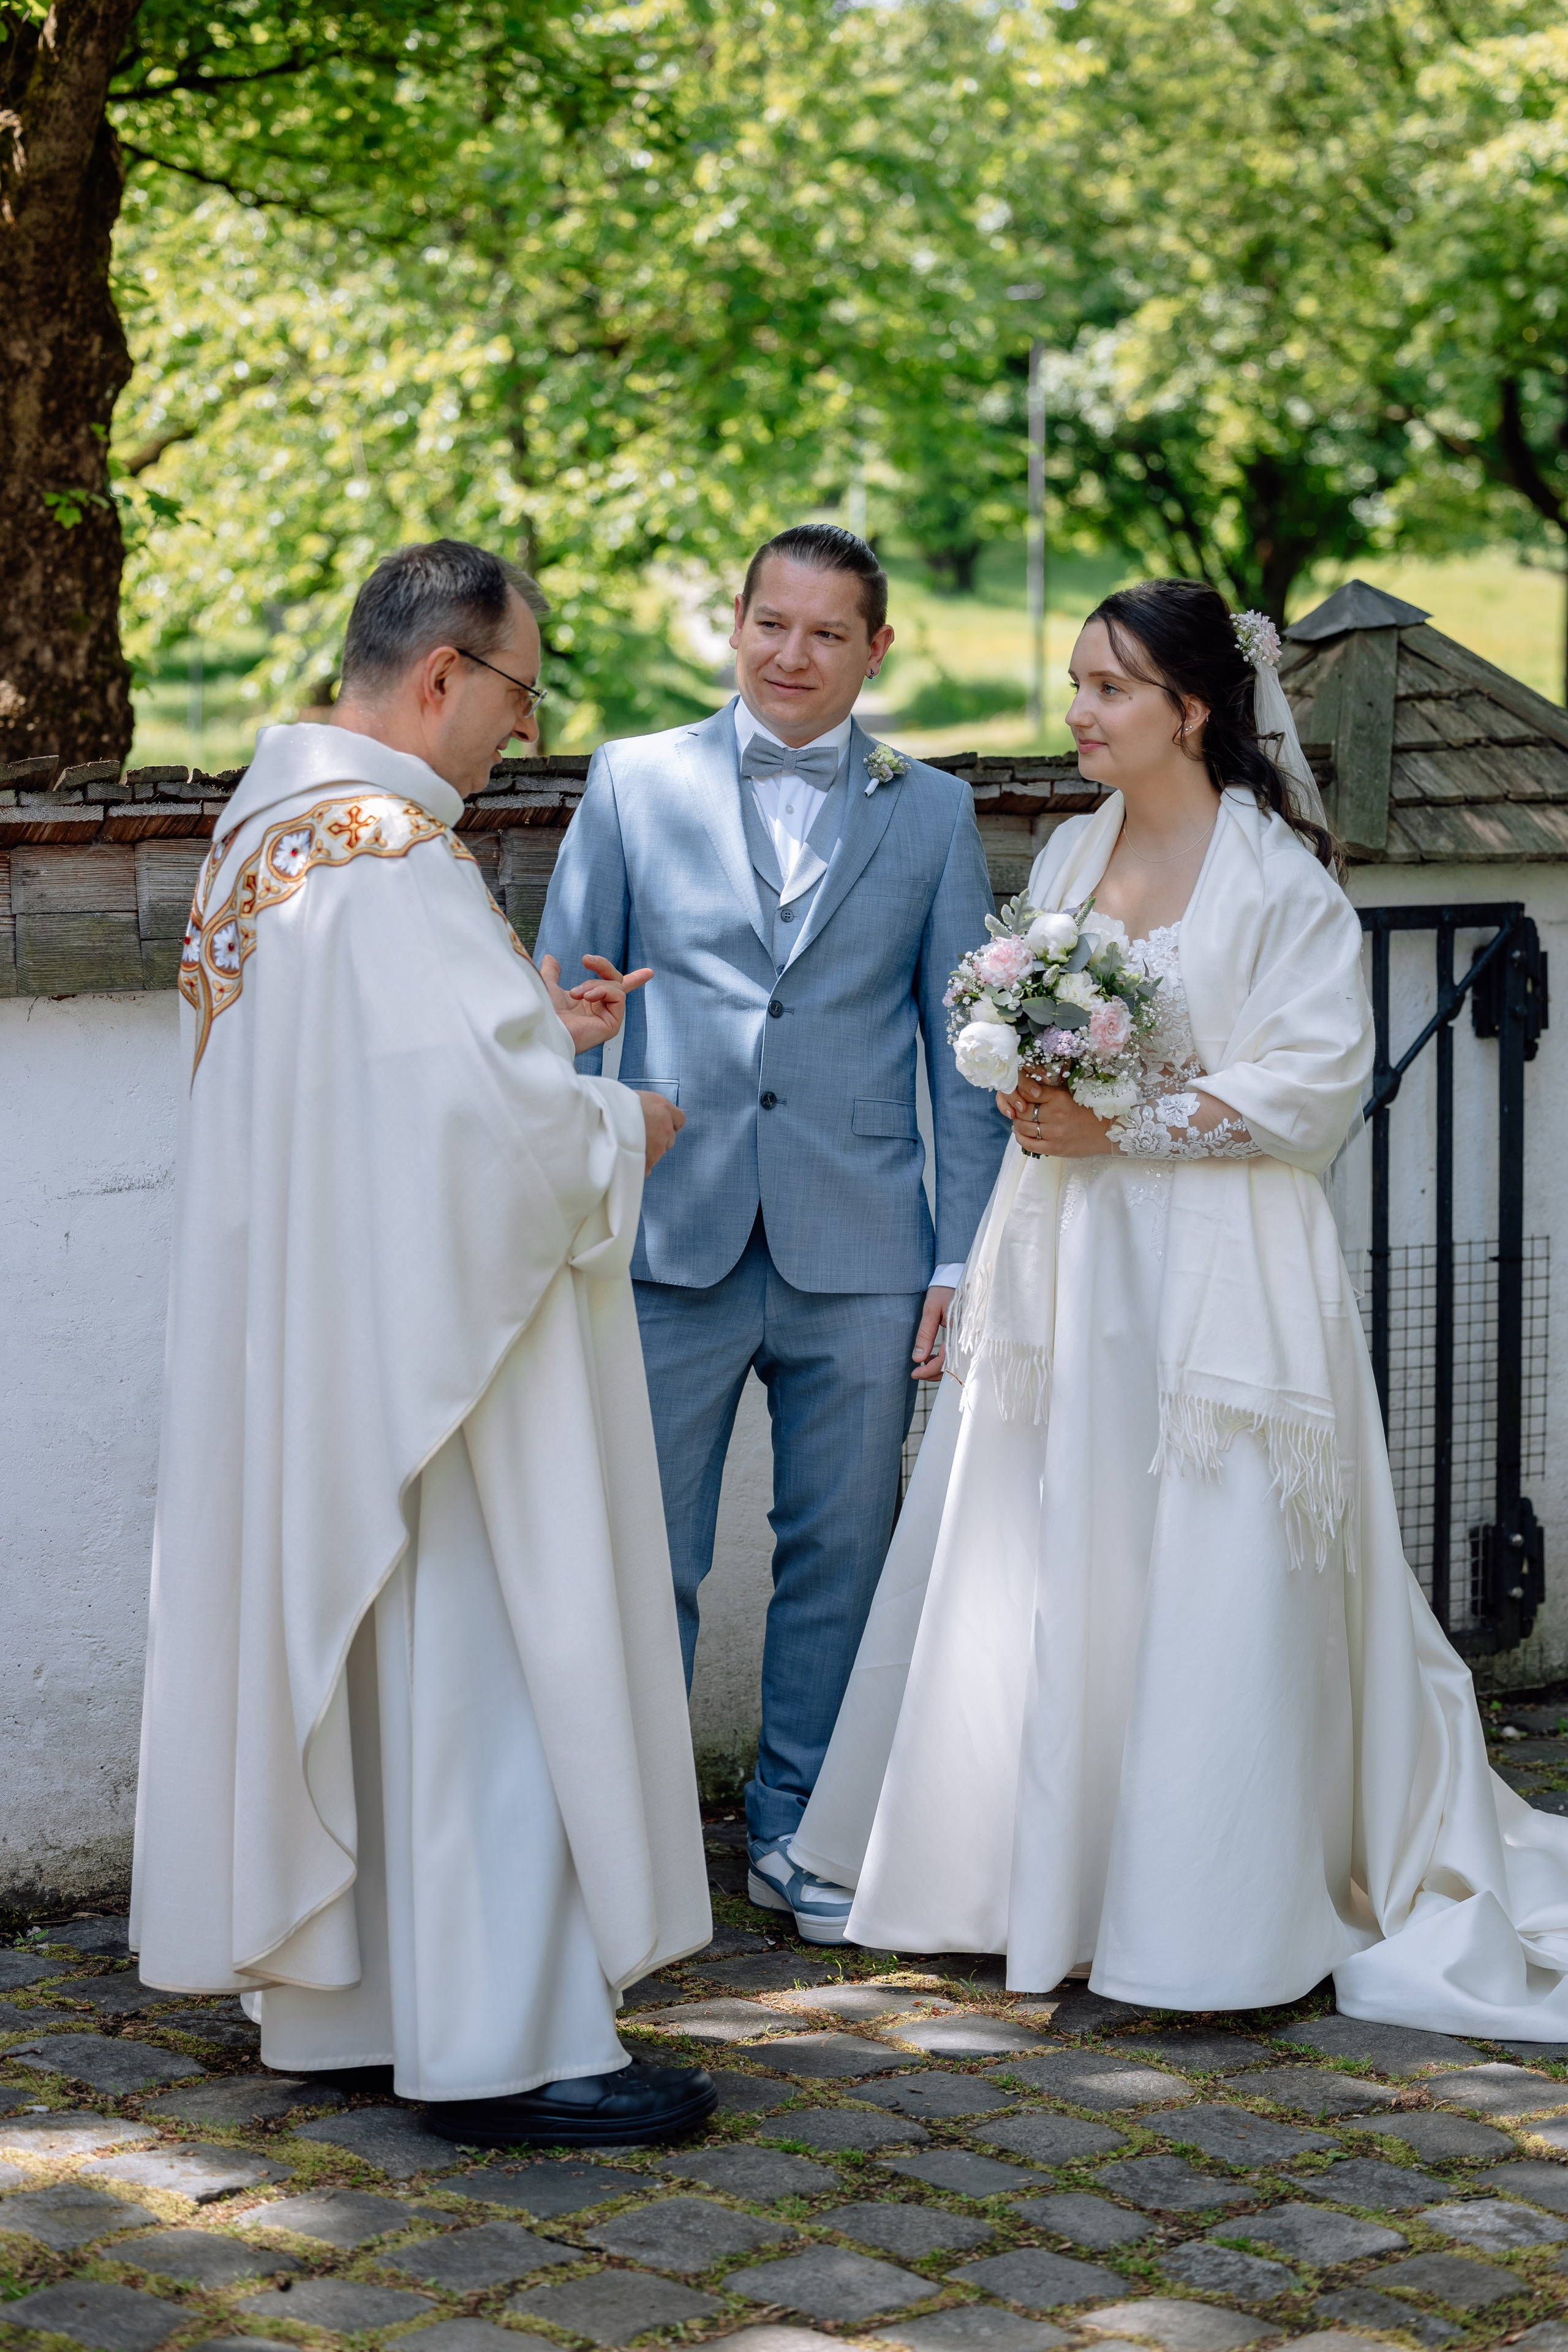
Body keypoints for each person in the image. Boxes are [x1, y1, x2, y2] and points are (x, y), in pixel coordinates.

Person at [793, 576, 1568, 2033]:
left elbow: (1310, 1082)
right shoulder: (1077, 850)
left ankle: (1201, 1907)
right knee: (1051, 1541)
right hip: (1070, 1259)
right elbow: (1016, 1016)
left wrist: (1124, 1124)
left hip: (1216, 1267)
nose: (1076, 713)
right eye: (1079, 683)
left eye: (1106, 689)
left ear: (1189, 710)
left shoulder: (1275, 877)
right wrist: (1021, 1081)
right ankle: (1032, 1880)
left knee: (1205, 1563)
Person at [132, 539, 717, 2145]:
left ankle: (361, 2005)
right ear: (444, 673)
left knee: (385, 1674)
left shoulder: (266, 838)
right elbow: (490, 1147)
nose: (522, 738)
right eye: (520, 696)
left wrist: (538, 1031)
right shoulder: (387, 856)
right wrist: (626, 1120)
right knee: (482, 1675)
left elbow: (391, 1094)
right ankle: (504, 2046)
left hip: (331, 1348)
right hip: (439, 1371)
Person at [537, 525, 1008, 1942]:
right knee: (642, 1556)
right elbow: (564, 1012)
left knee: (840, 1552)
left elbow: (963, 1051)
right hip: (666, 1237)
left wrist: (956, 1260)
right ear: (731, 624)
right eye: (768, 625)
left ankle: (799, 1829)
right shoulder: (631, 781)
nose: (788, 657)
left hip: (862, 1245)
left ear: (874, 651)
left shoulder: (928, 810)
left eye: (823, 634)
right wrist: (572, 1209)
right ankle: (618, 1847)